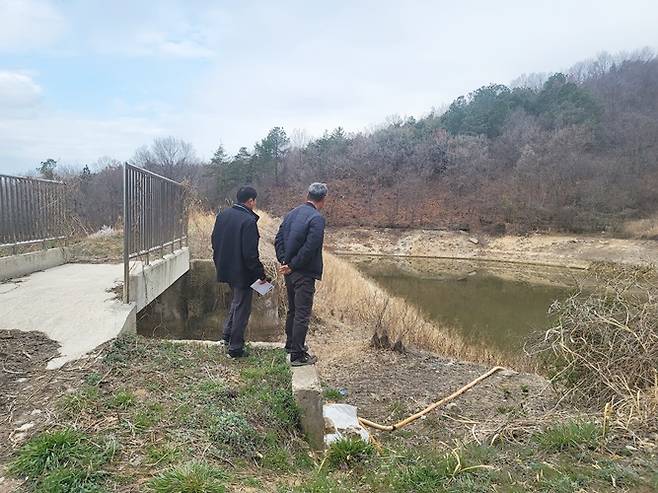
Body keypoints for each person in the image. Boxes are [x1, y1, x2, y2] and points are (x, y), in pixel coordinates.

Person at [275, 183, 328, 366]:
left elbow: (278, 239)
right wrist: (292, 265)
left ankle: (291, 345)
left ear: (308, 195)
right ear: (322, 200)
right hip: (303, 273)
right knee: (302, 313)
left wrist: (284, 262)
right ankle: (297, 355)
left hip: (289, 272)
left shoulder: (291, 215)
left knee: (293, 310)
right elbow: (310, 248)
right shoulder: (316, 219)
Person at [211, 186, 268, 358]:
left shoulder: (222, 216)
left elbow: (214, 241)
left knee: (236, 302)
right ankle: (235, 348)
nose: (255, 203)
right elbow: (251, 254)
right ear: (250, 201)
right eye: (254, 200)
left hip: (226, 267)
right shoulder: (248, 221)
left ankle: (227, 337)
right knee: (242, 308)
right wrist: (260, 274)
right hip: (243, 272)